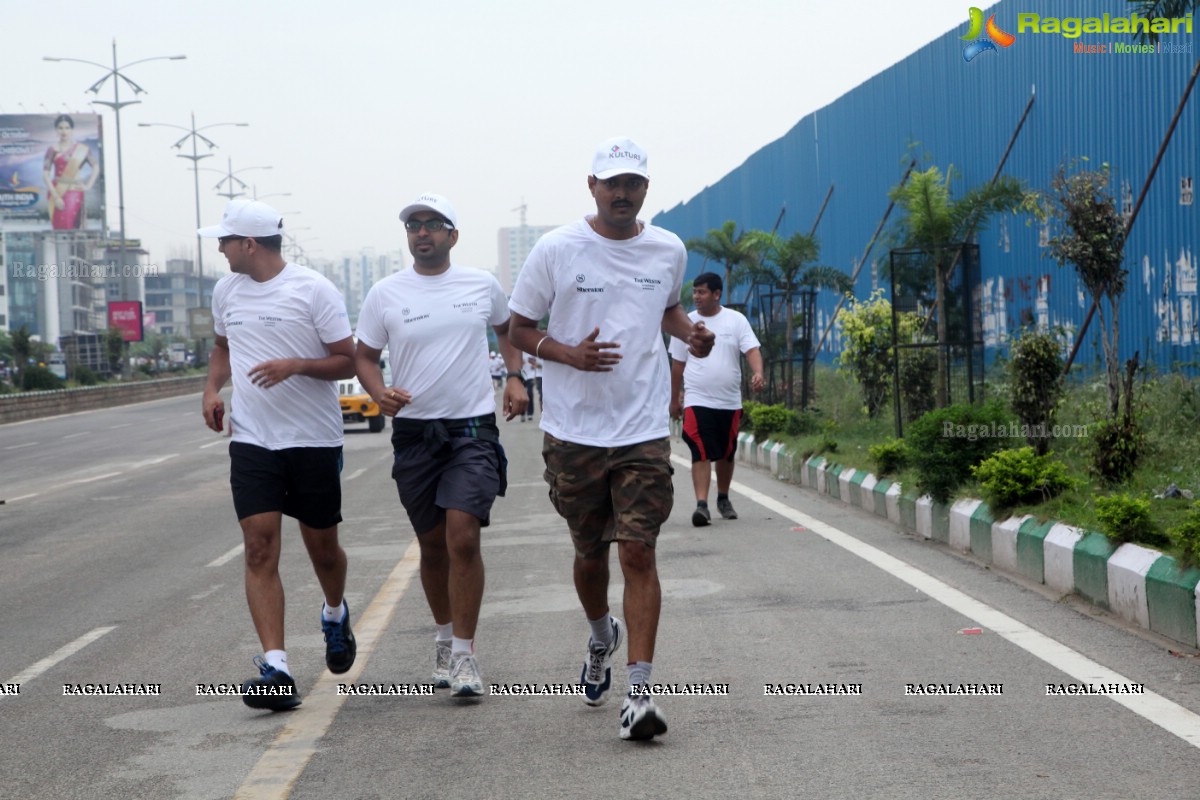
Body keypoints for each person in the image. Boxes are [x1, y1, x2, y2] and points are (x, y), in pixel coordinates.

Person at [508, 137, 714, 741]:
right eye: (611, 183)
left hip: (642, 428)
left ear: (646, 189)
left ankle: (640, 694)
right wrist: (564, 353)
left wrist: (692, 337)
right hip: (573, 432)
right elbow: (520, 328)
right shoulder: (556, 249)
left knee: (638, 551)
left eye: (633, 183)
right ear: (591, 186)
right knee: (589, 553)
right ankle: (601, 635)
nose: (622, 193)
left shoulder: (668, 248)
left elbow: (668, 311)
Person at [354, 193, 528, 698]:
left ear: (453, 235)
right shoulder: (385, 293)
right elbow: (365, 355)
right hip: (414, 433)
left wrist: (514, 375)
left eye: (433, 224)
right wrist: (378, 391)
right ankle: (444, 636)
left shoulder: (481, 284)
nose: (422, 232)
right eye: (414, 226)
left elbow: (508, 329)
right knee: (432, 546)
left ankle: (466, 656)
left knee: (462, 536)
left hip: (471, 429)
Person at [200, 199, 358, 711]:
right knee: (259, 547)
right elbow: (222, 346)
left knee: (323, 550)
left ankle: (334, 612)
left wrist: (297, 365)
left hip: (312, 440)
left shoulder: (313, 289)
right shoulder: (226, 289)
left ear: (249, 244)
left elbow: (346, 360)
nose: (219, 248)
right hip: (252, 440)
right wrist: (211, 390)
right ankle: (277, 668)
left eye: (224, 240)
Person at [668, 272, 765, 526]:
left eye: (702, 292)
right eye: (695, 292)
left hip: (729, 400)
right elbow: (677, 364)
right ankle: (702, 505)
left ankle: (723, 498)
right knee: (699, 448)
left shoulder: (735, 320)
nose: (696, 297)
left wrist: (758, 372)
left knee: (726, 452)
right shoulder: (686, 322)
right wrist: (674, 399)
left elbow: (752, 349)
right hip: (697, 398)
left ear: (717, 294)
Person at [42, 114, 98, 230]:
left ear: (72, 130)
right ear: (56, 130)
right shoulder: (52, 149)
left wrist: (88, 186)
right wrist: (56, 196)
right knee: (59, 229)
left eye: (67, 128)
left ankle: (74, 248)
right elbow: (45, 175)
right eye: (60, 128)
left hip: (75, 191)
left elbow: (96, 167)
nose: (64, 131)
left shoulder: (82, 149)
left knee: (71, 226)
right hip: (57, 191)